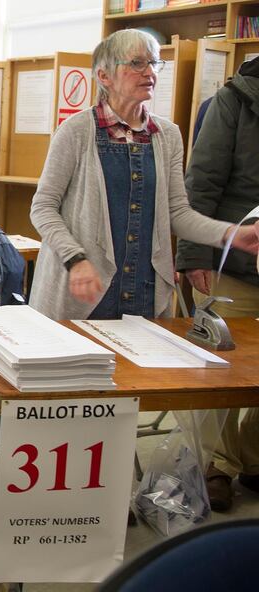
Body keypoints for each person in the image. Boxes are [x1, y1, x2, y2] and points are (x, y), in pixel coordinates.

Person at [28, 29, 259, 324]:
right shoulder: (75, 131)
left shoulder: (168, 135)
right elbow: (43, 208)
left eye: (154, 63)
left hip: (143, 289)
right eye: (137, 63)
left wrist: (231, 235)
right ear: (104, 76)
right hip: (83, 290)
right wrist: (75, 259)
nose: (149, 72)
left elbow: (178, 213)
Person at [175, 55, 259, 512]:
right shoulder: (233, 102)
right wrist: (193, 255)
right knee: (221, 368)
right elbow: (200, 182)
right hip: (233, 261)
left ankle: (253, 458)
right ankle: (216, 466)